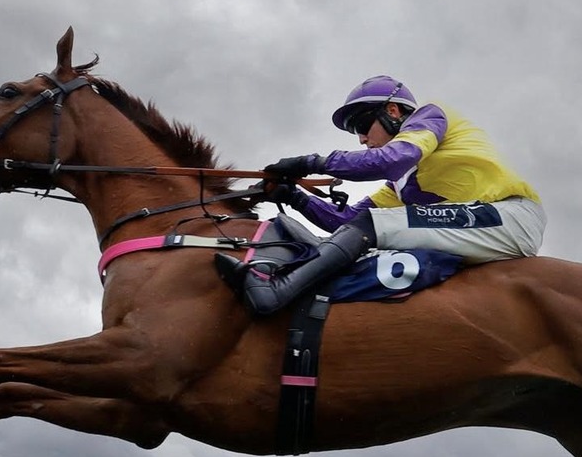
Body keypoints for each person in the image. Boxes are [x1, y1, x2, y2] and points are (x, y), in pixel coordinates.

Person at [222, 75, 546, 316]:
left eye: (363, 125)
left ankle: (277, 292)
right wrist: (293, 196)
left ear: (393, 110)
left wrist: (312, 163)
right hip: (483, 223)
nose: (362, 139)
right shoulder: (402, 184)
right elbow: (346, 223)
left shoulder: (429, 116)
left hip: (508, 216)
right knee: (366, 227)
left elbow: (392, 159)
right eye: (356, 132)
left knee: (372, 224)